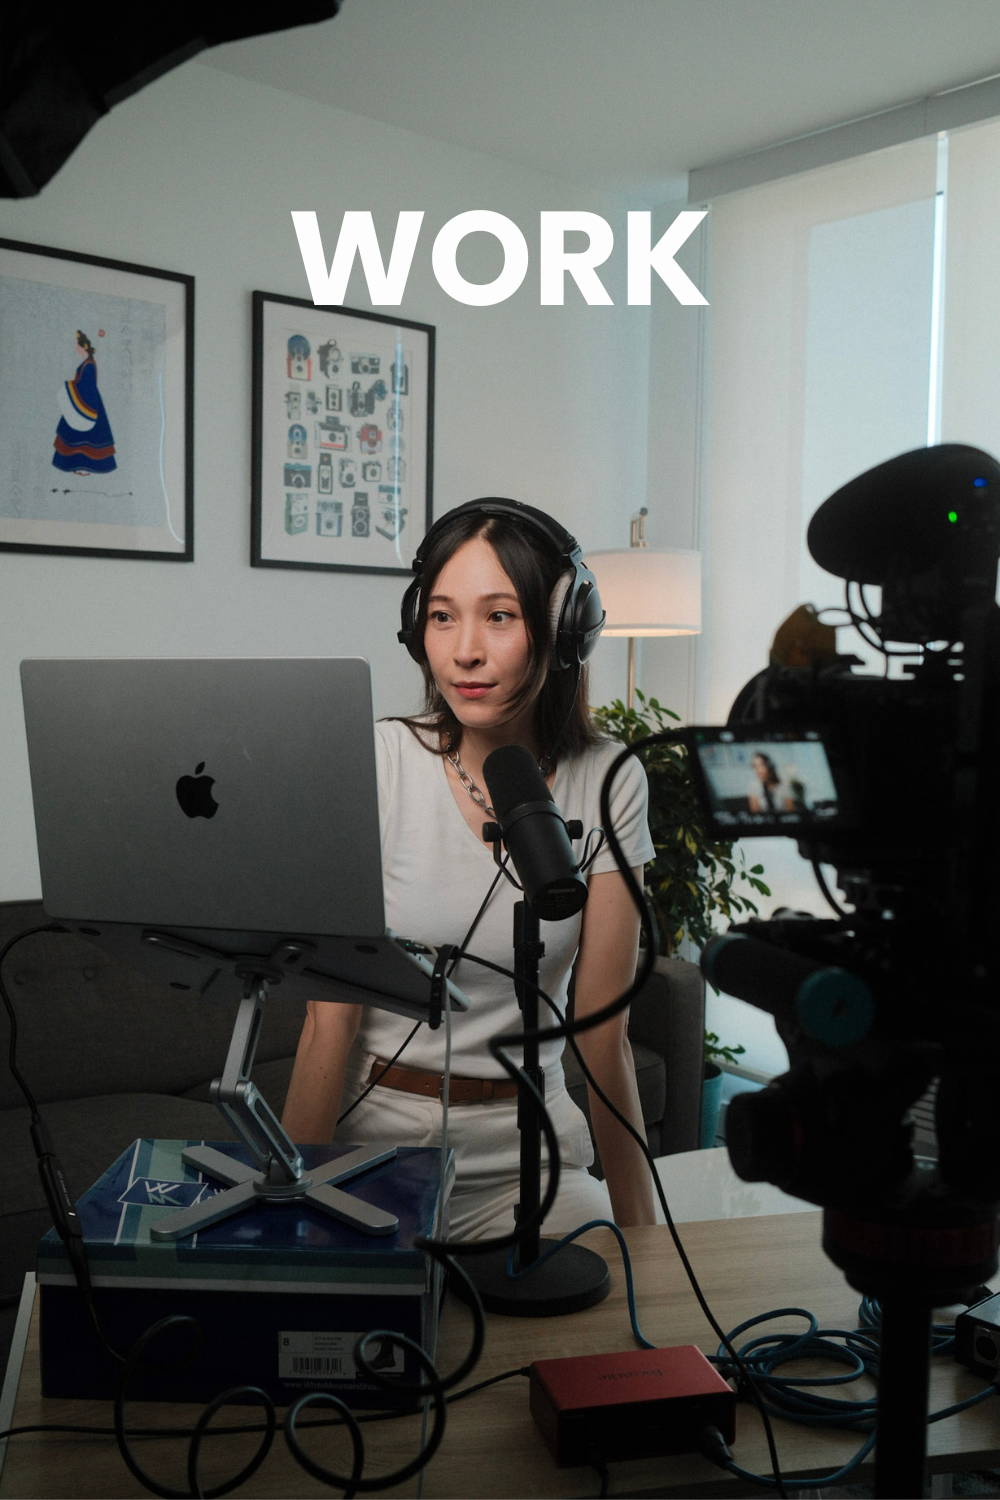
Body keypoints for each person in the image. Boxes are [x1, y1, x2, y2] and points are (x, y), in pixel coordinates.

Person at [282, 499, 657, 1239]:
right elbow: (328, 1025)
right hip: (373, 1158)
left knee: (609, 1318)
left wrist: (645, 1242)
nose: (464, 652)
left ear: (564, 629)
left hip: (533, 1158)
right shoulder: (377, 763)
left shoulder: (610, 777)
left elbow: (603, 1036)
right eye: (444, 617)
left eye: (500, 616)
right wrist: (287, 1217)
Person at [52, 330, 117, 475]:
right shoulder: (86, 363)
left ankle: (85, 467)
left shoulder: (89, 365)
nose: (76, 347)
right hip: (79, 402)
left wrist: (70, 386)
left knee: (90, 439)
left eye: (77, 345)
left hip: (87, 403)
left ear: (83, 347)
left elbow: (86, 386)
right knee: (75, 436)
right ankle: (77, 465)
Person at [747, 750, 792, 814]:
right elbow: (755, 813)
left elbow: (790, 811)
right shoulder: (753, 786)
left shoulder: (783, 785)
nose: (757, 769)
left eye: (761, 765)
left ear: (769, 765)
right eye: (754, 766)